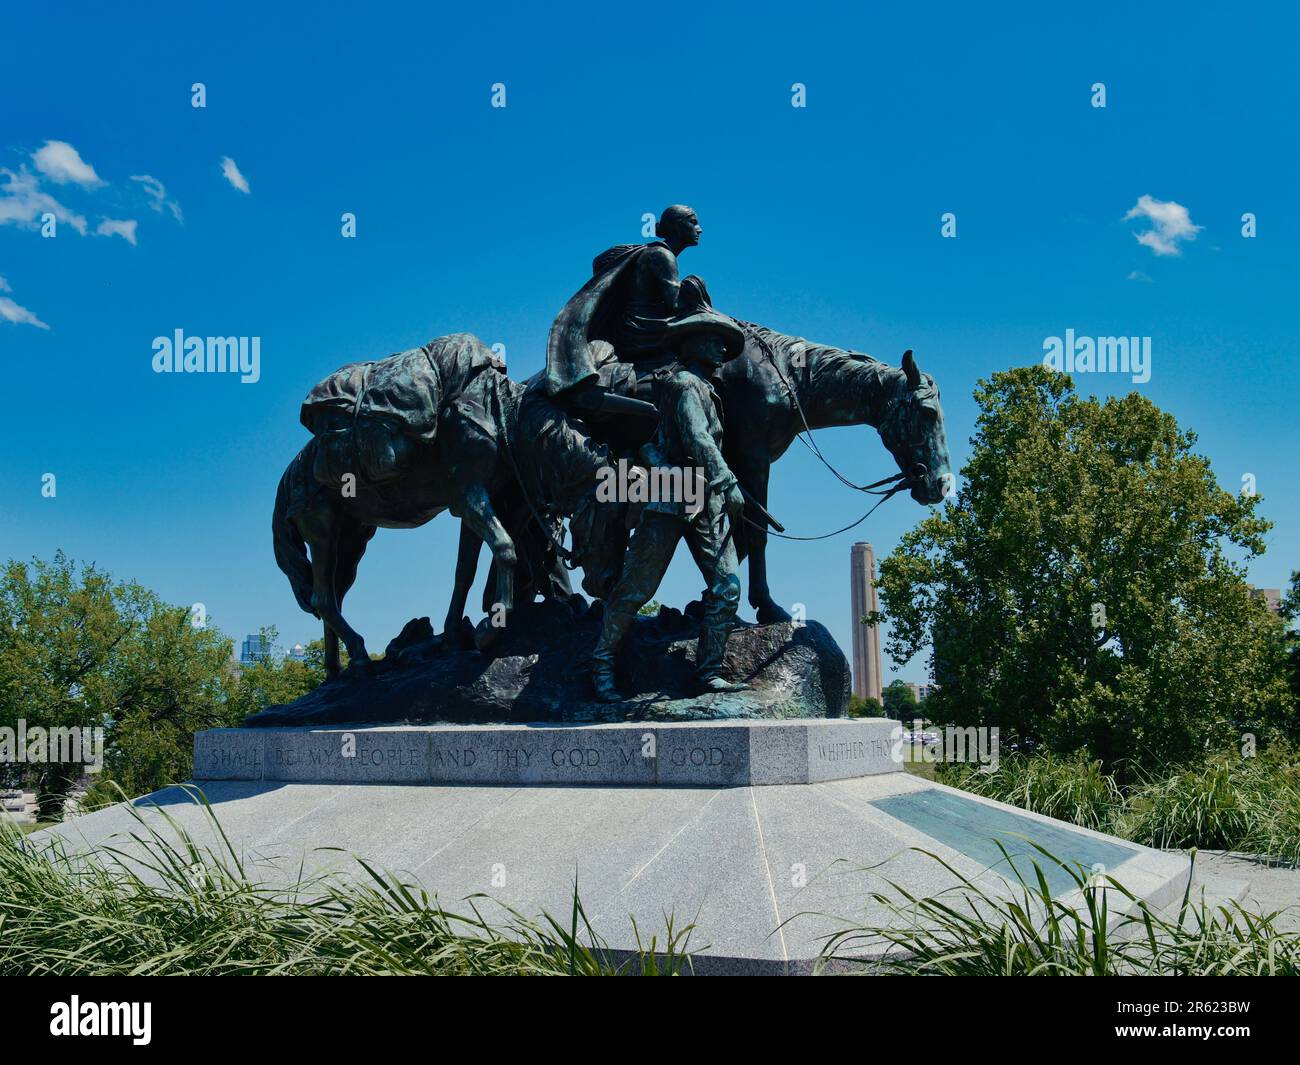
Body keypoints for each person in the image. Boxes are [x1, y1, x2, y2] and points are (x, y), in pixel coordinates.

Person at [591, 310, 750, 702]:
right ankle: (601, 665)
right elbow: (697, 436)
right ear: (692, 342)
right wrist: (726, 478)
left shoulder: (707, 389)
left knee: (727, 587)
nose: (721, 347)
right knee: (636, 589)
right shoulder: (682, 384)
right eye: (713, 338)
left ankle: (708, 672)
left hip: (704, 499)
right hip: (670, 492)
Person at [544, 205, 710, 419]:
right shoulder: (662, 254)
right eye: (693, 222)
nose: (700, 229)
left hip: (645, 324)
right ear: (677, 227)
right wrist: (695, 285)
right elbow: (675, 305)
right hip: (642, 330)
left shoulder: (659, 253)